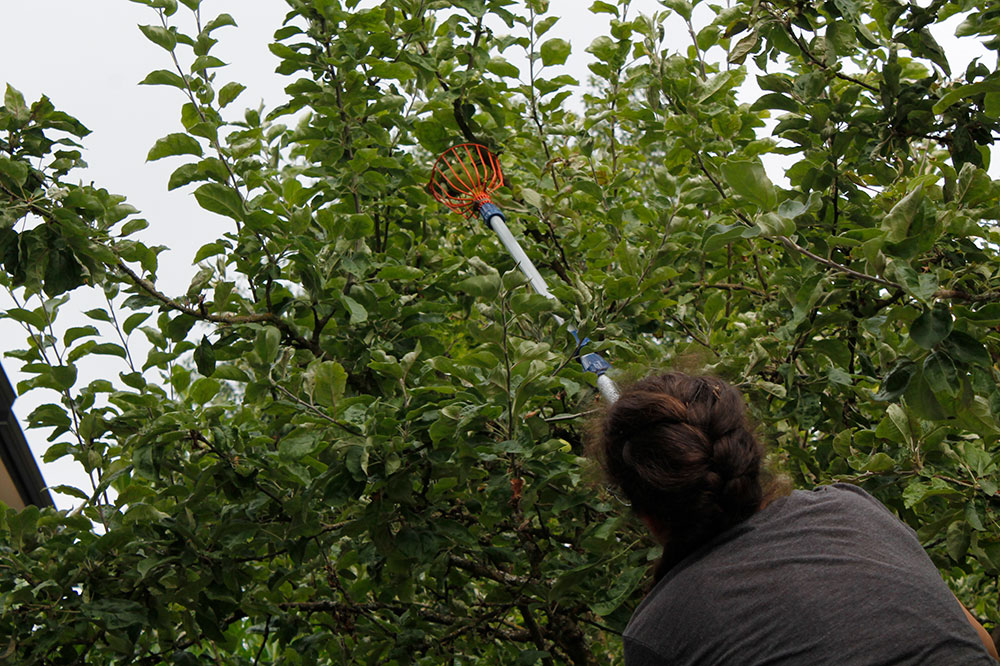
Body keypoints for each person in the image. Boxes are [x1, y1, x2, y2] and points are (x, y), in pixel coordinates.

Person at [590, 371, 999, 665]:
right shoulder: (852, 507)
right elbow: (983, 647)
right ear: (750, 458)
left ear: (647, 517)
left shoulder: (658, 633)